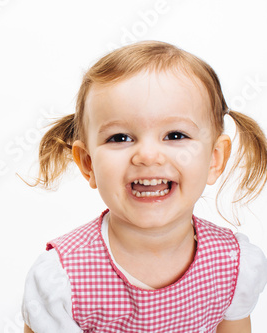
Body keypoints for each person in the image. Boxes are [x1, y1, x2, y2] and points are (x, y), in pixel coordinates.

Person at [20, 41, 267, 333]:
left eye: (175, 135)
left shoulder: (232, 265)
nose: (148, 155)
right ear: (88, 163)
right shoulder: (64, 278)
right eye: (120, 138)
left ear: (215, 159)